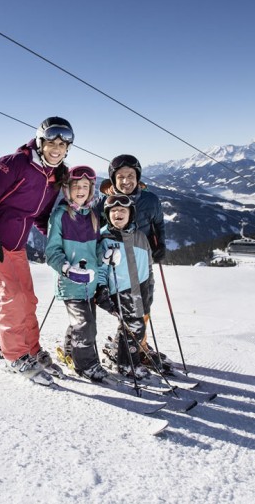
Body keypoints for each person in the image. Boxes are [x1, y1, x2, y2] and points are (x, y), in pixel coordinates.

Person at [0, 116, 73, 386]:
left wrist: (60, 242)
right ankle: (11, 354)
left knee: (28, 298)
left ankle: (31, 350)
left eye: (63, 143)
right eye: (52, 141)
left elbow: (41, 217)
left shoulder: (54, 176)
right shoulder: (14, 164)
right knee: (12, 297)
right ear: (40, 141)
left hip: (16, 244)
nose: (57, 147)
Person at [95, 154, 167, 370]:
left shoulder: (150, 200)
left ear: (138, 177)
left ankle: (136, 345)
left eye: (130, 176)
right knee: (127, 309)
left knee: (144, 306)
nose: (126, 181)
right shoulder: (104, 203)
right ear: (113, 179)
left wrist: (160, 245)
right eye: (120, 177)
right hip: (118, 266)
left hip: (143, 262)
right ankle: (132, 349)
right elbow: (95, 231)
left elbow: (158, 224)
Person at [45, 165, 108, 382]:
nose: (80, 190)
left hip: (89, 283)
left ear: (91, 190)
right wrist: (66, 269)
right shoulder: (60, 216)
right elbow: (51, 251)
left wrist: (105, 256)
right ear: (67, 189)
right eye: (75, 186)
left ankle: (71, 353)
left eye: (85, 186)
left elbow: (96, 247)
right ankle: (86, 365)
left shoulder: (92, 215)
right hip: (70, 282)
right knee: (85, 325)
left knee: (84, 323)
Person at [94, 194, 152, 380]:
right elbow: (100, 267)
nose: (118, 213)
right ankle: (128, 364)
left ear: (130, 214)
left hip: (140, 288)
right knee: (135, 326)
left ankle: (120, 355)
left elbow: (148, 266)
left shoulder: (141, 237)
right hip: (119, 289)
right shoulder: (105, 237)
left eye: (123, 210)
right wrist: (101, 288)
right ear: (108, 214)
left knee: (133, 326)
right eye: (114, 211)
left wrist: (150, 288)